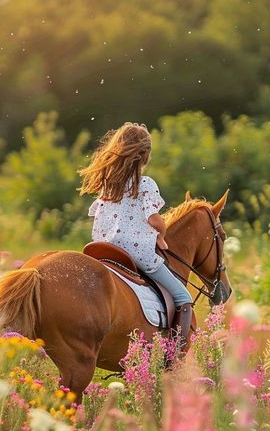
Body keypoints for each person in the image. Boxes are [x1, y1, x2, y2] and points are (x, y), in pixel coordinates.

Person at [78, 122, 193, 350]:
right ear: (144, 155)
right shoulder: (145, 184)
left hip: (103, 248)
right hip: (135, 251)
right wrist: (161, 234)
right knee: (183, 297)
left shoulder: (108, 186)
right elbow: (153, 219)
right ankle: (174, 356)